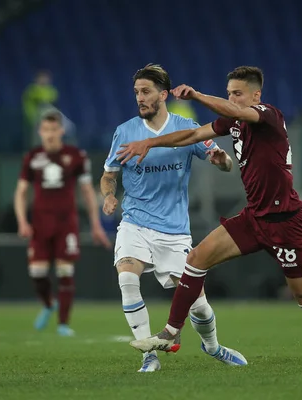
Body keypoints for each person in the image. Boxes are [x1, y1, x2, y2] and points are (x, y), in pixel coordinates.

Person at [117, 66, 302, 361]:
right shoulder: (235, 122)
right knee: (196, 259)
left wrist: (198, 95)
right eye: (229, 93)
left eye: (238, 94)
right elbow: (191, 134)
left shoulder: (268, 115)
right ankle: (171, 331)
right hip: (254, 218)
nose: (233, 99)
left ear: (256, 94)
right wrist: (149, 142)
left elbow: (237, 112)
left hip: (285, 222)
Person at [101, 64, 247, 373]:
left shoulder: (185, 127)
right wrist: (109, 195)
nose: (140, 98)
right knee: (127, 278)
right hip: (135, 222)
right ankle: (148, 355)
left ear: (163, 94)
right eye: (136, 92)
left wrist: (222, 162)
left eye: (146, 92)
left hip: (175, 231)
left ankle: (213, 346)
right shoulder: (124, 131)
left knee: (199, 304)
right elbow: (109, 174)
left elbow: (224, 164)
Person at [15, 110, 111, 337]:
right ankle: (49, 304)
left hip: (66, 223)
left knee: (64, 270)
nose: (49, 134)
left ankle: (63, 324)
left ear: (61, 131)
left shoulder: (76, 156)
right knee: (37, 272)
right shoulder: (32, 157)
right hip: (40, 223)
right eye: (45, 130)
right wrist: (22, 221)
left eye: (53, 130)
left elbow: (87, 191)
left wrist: (96, 225)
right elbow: (21, 191)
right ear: (40, 132)